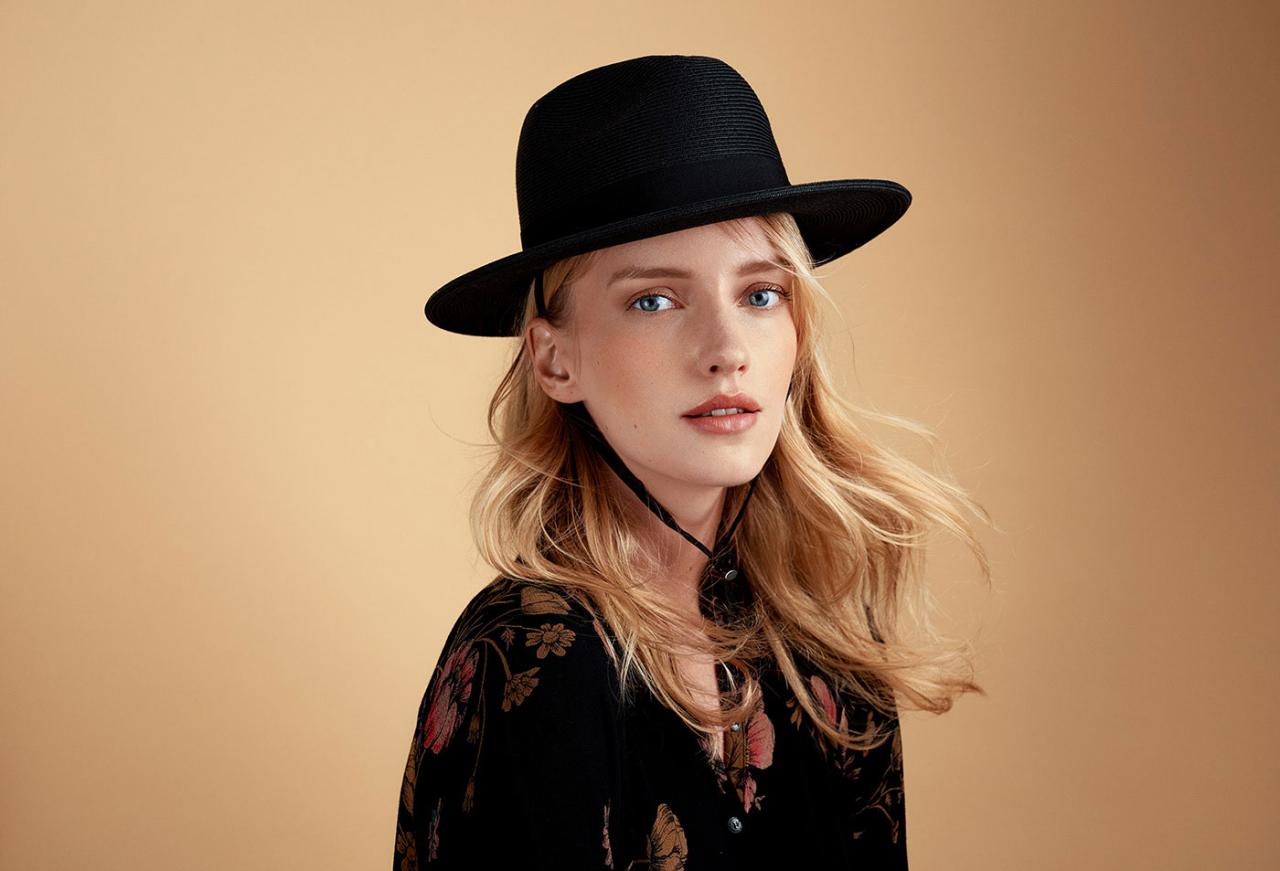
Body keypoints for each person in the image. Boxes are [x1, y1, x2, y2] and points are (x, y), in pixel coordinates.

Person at [392, 55, 991, 870]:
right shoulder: (536, 654)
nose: (726, 349)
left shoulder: (825, 642)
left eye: (760, 294)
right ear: (554, 358)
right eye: (655, 299)